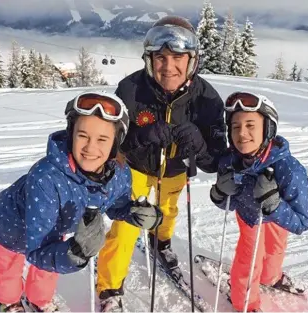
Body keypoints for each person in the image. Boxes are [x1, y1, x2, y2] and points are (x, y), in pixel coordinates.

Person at [0, 91, 163, 312]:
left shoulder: (119, 173)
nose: (90, 147)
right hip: (9, 227)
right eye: (83, 136)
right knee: (9, 269)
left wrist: (133, 212)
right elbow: (37, 249)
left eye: (102, 139)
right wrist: (75, 254)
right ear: (71, 135)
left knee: (48, 271)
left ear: (116, 143)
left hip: (52, 230)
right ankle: (9, 300)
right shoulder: (46, 178)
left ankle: (39, 300)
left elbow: (117, 204)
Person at [96, 16, 227, 311]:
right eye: (160, 57)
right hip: (136, 169)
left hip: (177, 170)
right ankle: (109, 288)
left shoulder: (207, 100)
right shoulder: (131, 90)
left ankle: (161, 241)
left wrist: (200, 144)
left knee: (168, 211)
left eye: (178, 57)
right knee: (127, 225)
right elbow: (110, 145)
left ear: (192, 60)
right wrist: (140, 137)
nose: (168, 67)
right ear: (149, 58)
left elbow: (215, 160)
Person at [210, 92, 308, 312]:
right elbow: (227, 203)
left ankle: (271, 277)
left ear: (268, 129)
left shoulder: (289, 170)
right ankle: (245, 303)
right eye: (235, 127)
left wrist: (274, 204)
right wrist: (219, 193)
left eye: (250, 125)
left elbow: (301, 223)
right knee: (250, 258)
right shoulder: (229, 161)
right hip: (249, 217)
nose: (242, 134)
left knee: (275, 249)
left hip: (277, 217)